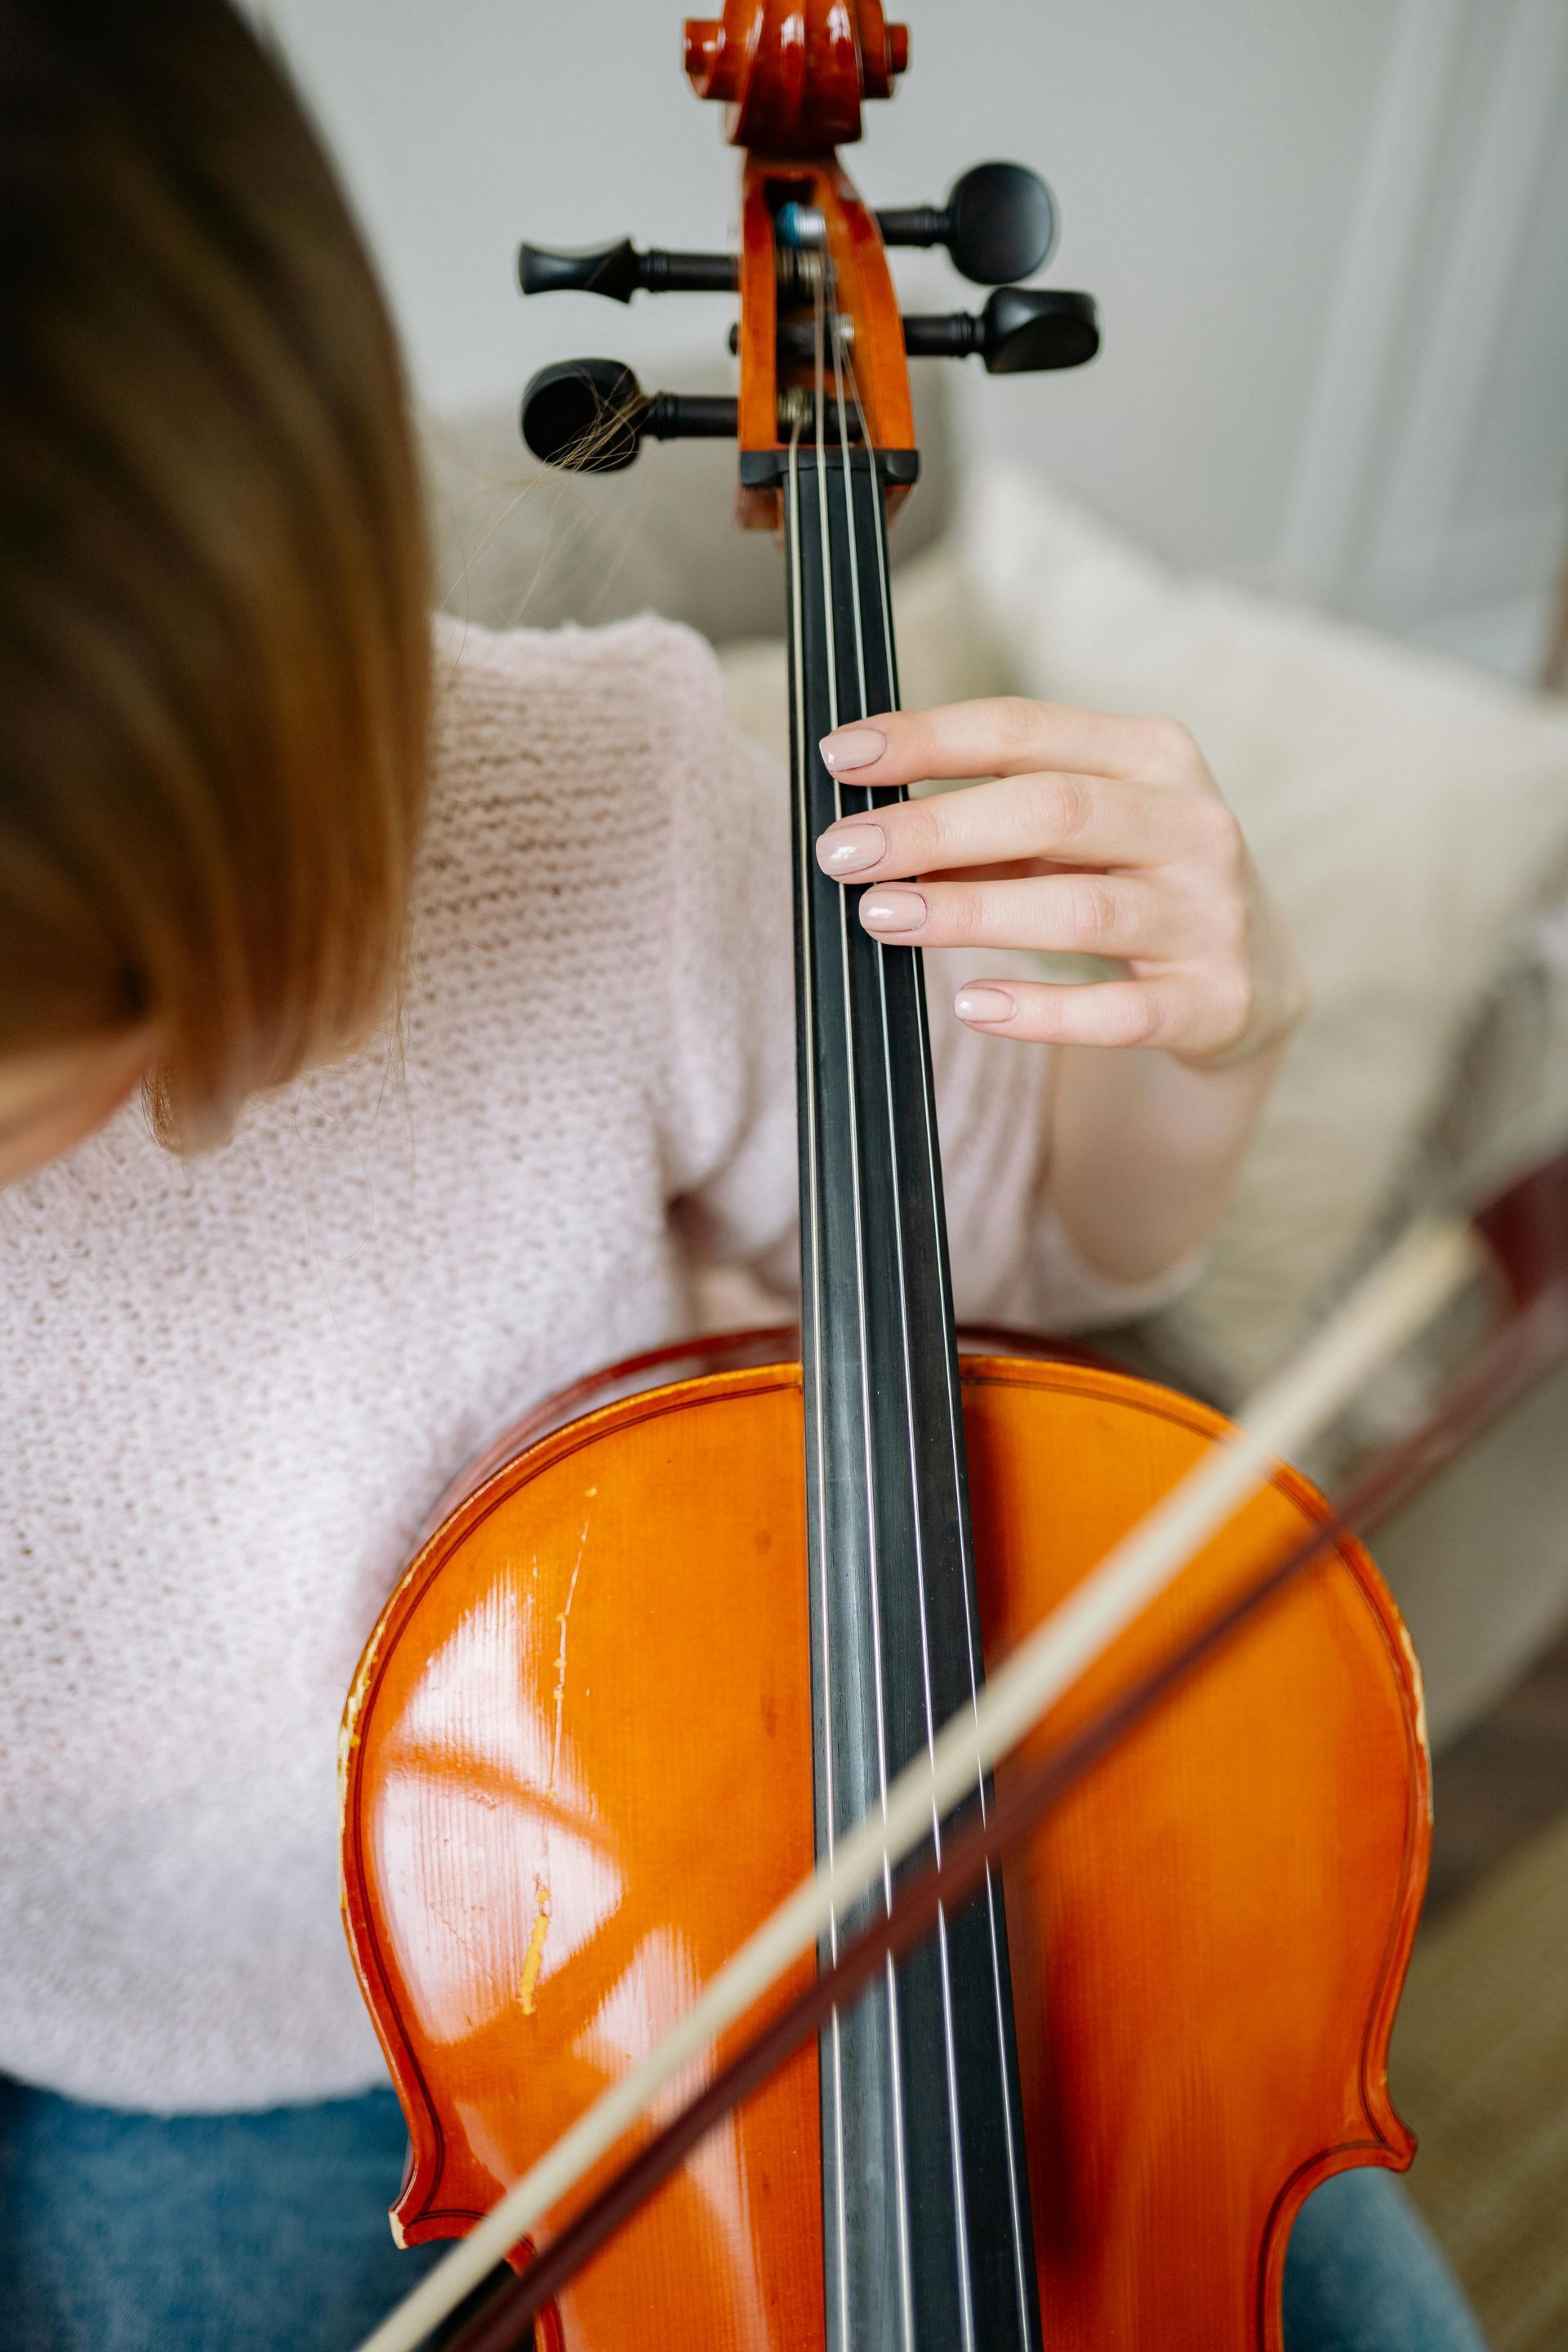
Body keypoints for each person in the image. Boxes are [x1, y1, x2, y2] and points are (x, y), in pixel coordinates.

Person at [0, 3, 1488, 2348]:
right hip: (190, 2067)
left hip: (791, 1867)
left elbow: (1045, 1255)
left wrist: (1210, 1041)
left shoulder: (613, 800)